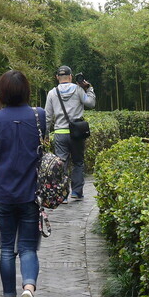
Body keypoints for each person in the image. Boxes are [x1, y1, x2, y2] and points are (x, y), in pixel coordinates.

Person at [0, 70, 45, 297]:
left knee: (7, 247)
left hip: (4, 192)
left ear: (2, 92)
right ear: (26, 90)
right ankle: (29, 289)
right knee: (29, 247)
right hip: (31, 192)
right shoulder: (39, 115)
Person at [44, 65, 96, 201]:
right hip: (77, 134)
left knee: (61, 163)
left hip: (60, 132)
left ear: (57, 77)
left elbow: (47, 117)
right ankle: (77, 192)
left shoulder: (52, 93)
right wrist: (89, 89)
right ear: (71, 77)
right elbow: (90, 103)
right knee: (78, 162)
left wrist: (45, 135)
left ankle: (63, 194)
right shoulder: (78, 90)